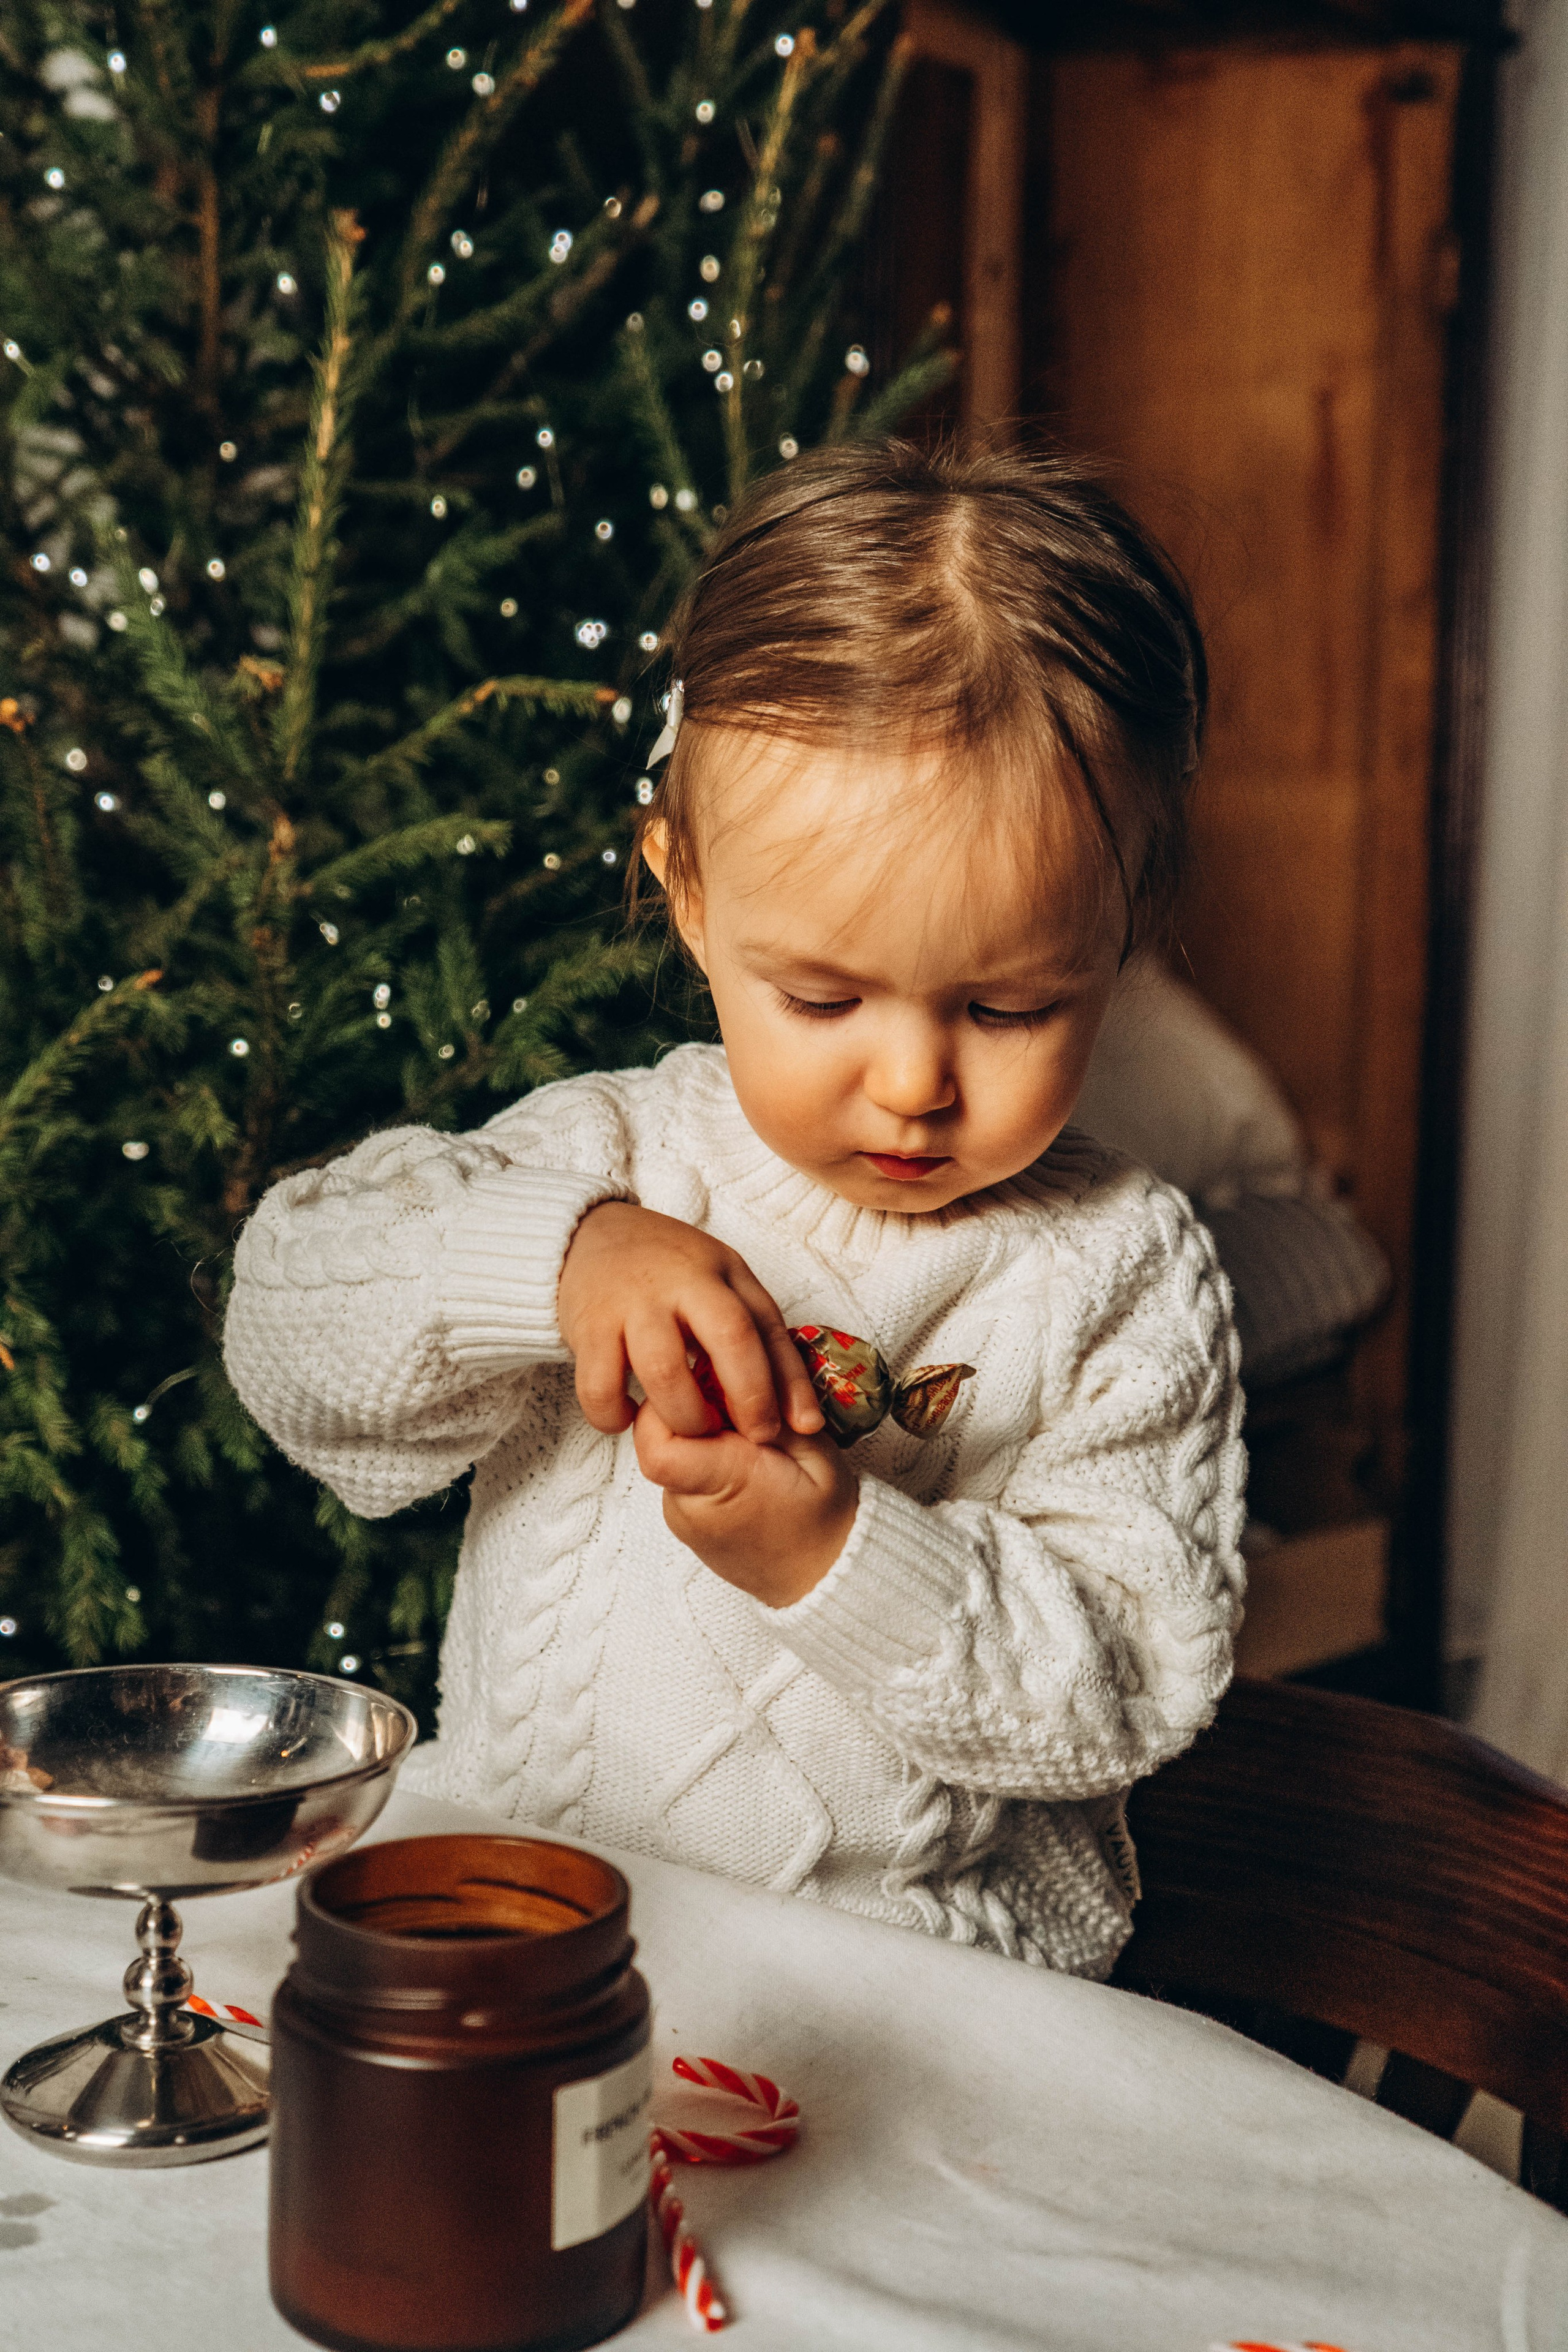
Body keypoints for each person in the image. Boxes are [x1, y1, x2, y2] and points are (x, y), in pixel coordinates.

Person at [224, 439, 1245, 1979]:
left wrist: (835, 1548)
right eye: (823, 996)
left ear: (1121, 937)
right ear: (690, 896)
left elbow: (1127, 1684)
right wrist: (550, 1262)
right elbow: (286, 1323)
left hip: (919, 1977)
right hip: (531, 1918)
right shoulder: (613, 1160)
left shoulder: (1116, 1269)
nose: (911, 1081)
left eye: (1010, 1006)